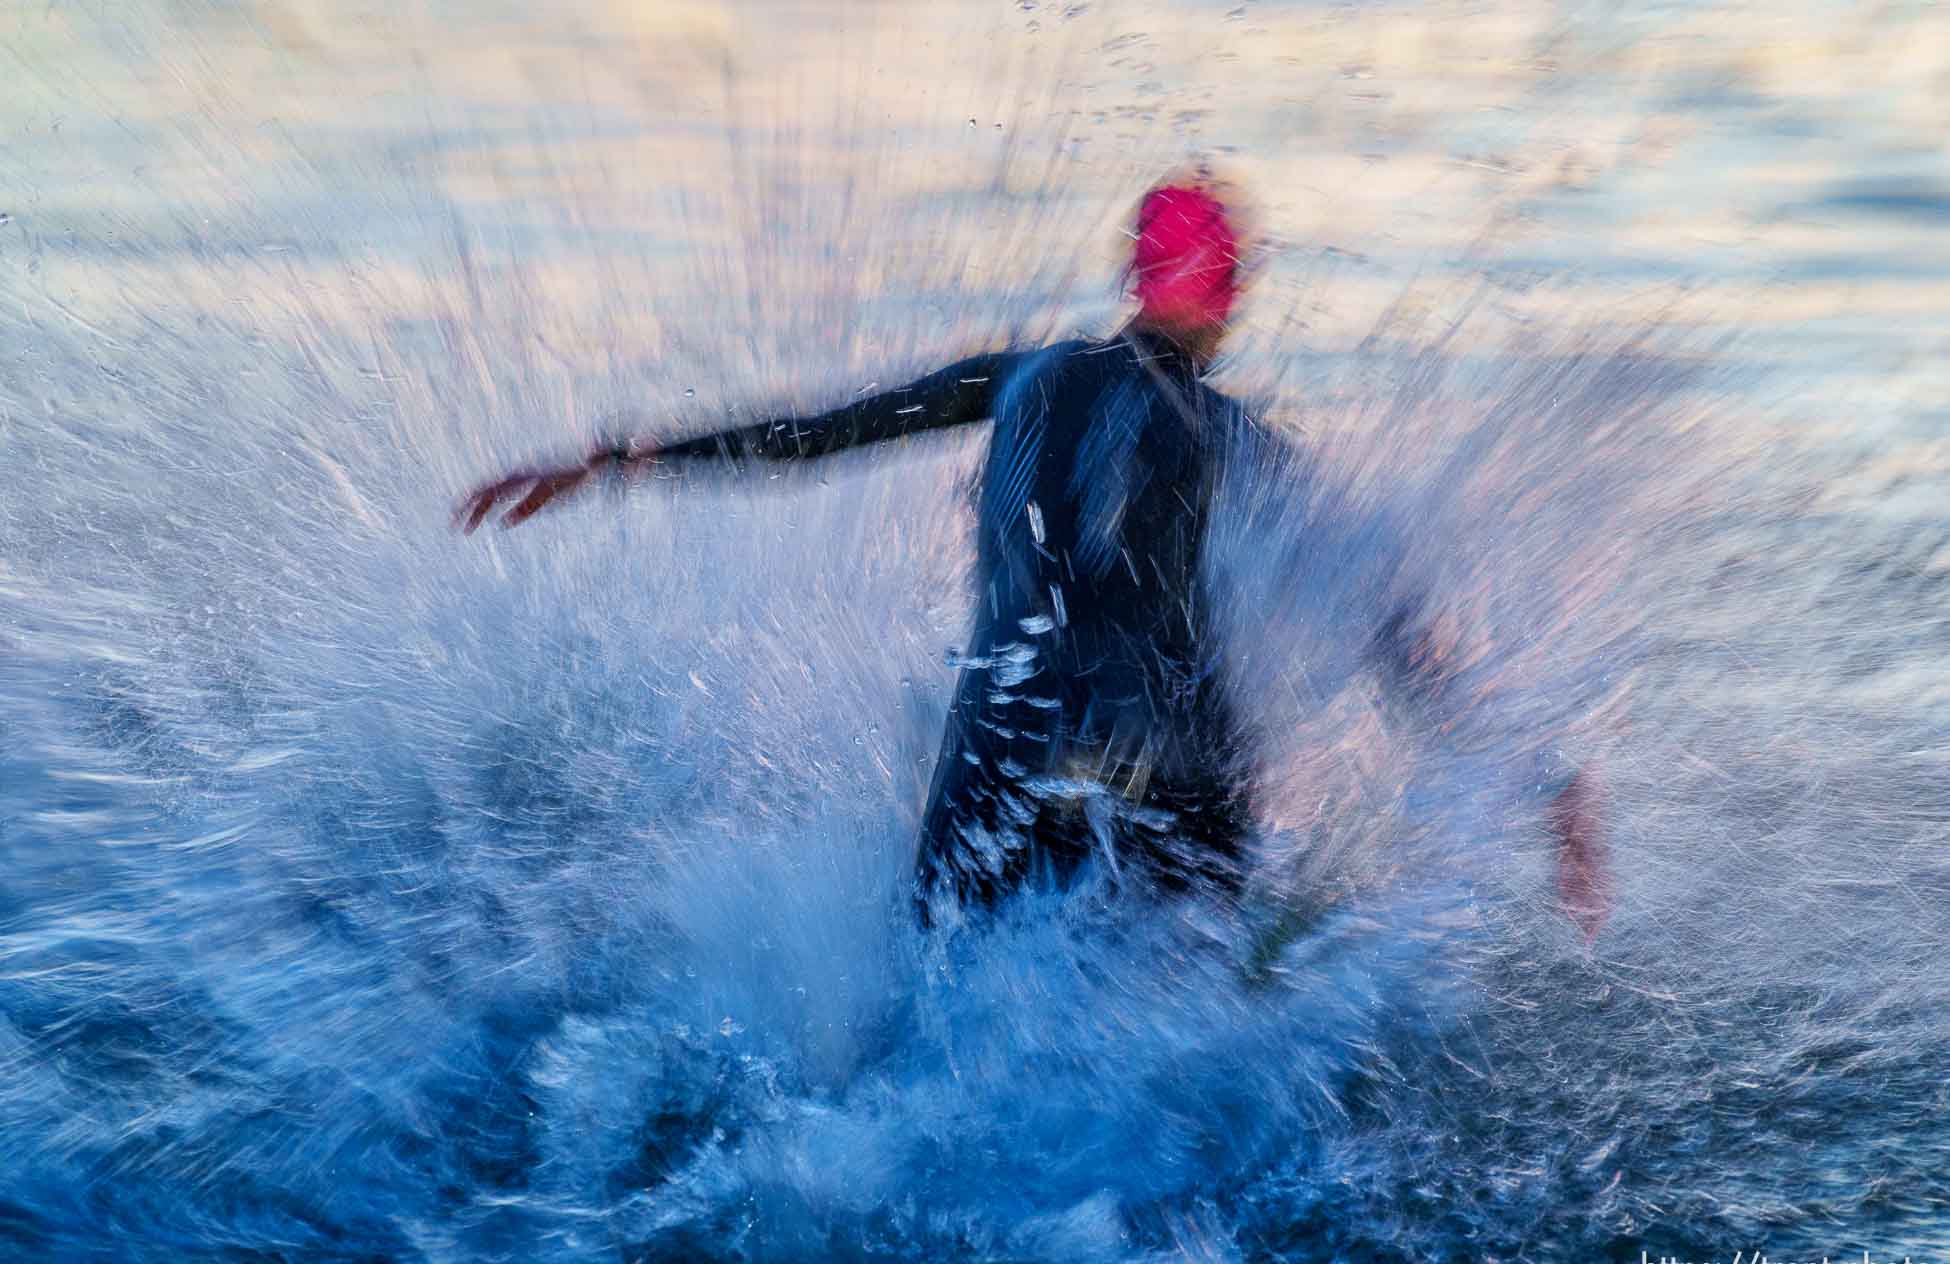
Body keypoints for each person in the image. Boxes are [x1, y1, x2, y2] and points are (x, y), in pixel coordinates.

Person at [455, 176, 1613, 939]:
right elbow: (1382, 622)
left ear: (1133, 283)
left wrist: (617, 458)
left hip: (1008, 739)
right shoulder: (1240, 438)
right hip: (1175, 757)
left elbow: (815, 437)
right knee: (1188, 1039)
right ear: (1232, 297)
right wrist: (1541, 782)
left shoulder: (1023, 377)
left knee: (944, 1015)